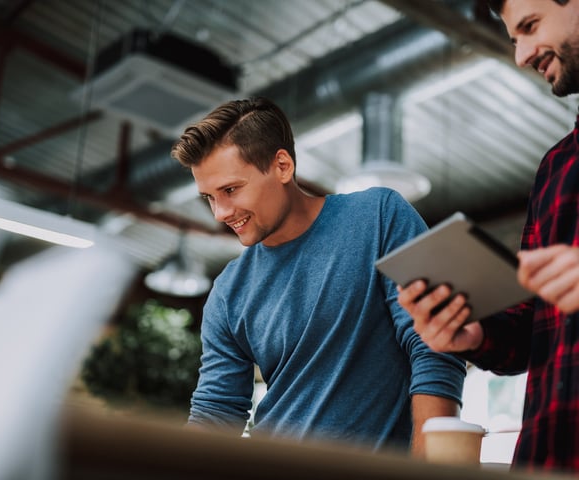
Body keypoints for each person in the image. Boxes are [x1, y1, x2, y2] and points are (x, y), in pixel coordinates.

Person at [170, 96, 465, 456]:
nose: (220, 213)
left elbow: (434, 343)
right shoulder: (229, 292)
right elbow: (216, 412)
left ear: (282, 166)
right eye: (209, 198)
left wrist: (428, 465)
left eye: (230, 190)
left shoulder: (379, 217)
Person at [396, 0, 579, 473]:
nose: (520, 54)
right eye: (514, 37)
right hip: (548, 457)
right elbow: (528, 330)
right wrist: (472, 334)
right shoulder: (557, 166)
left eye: (531, 26)